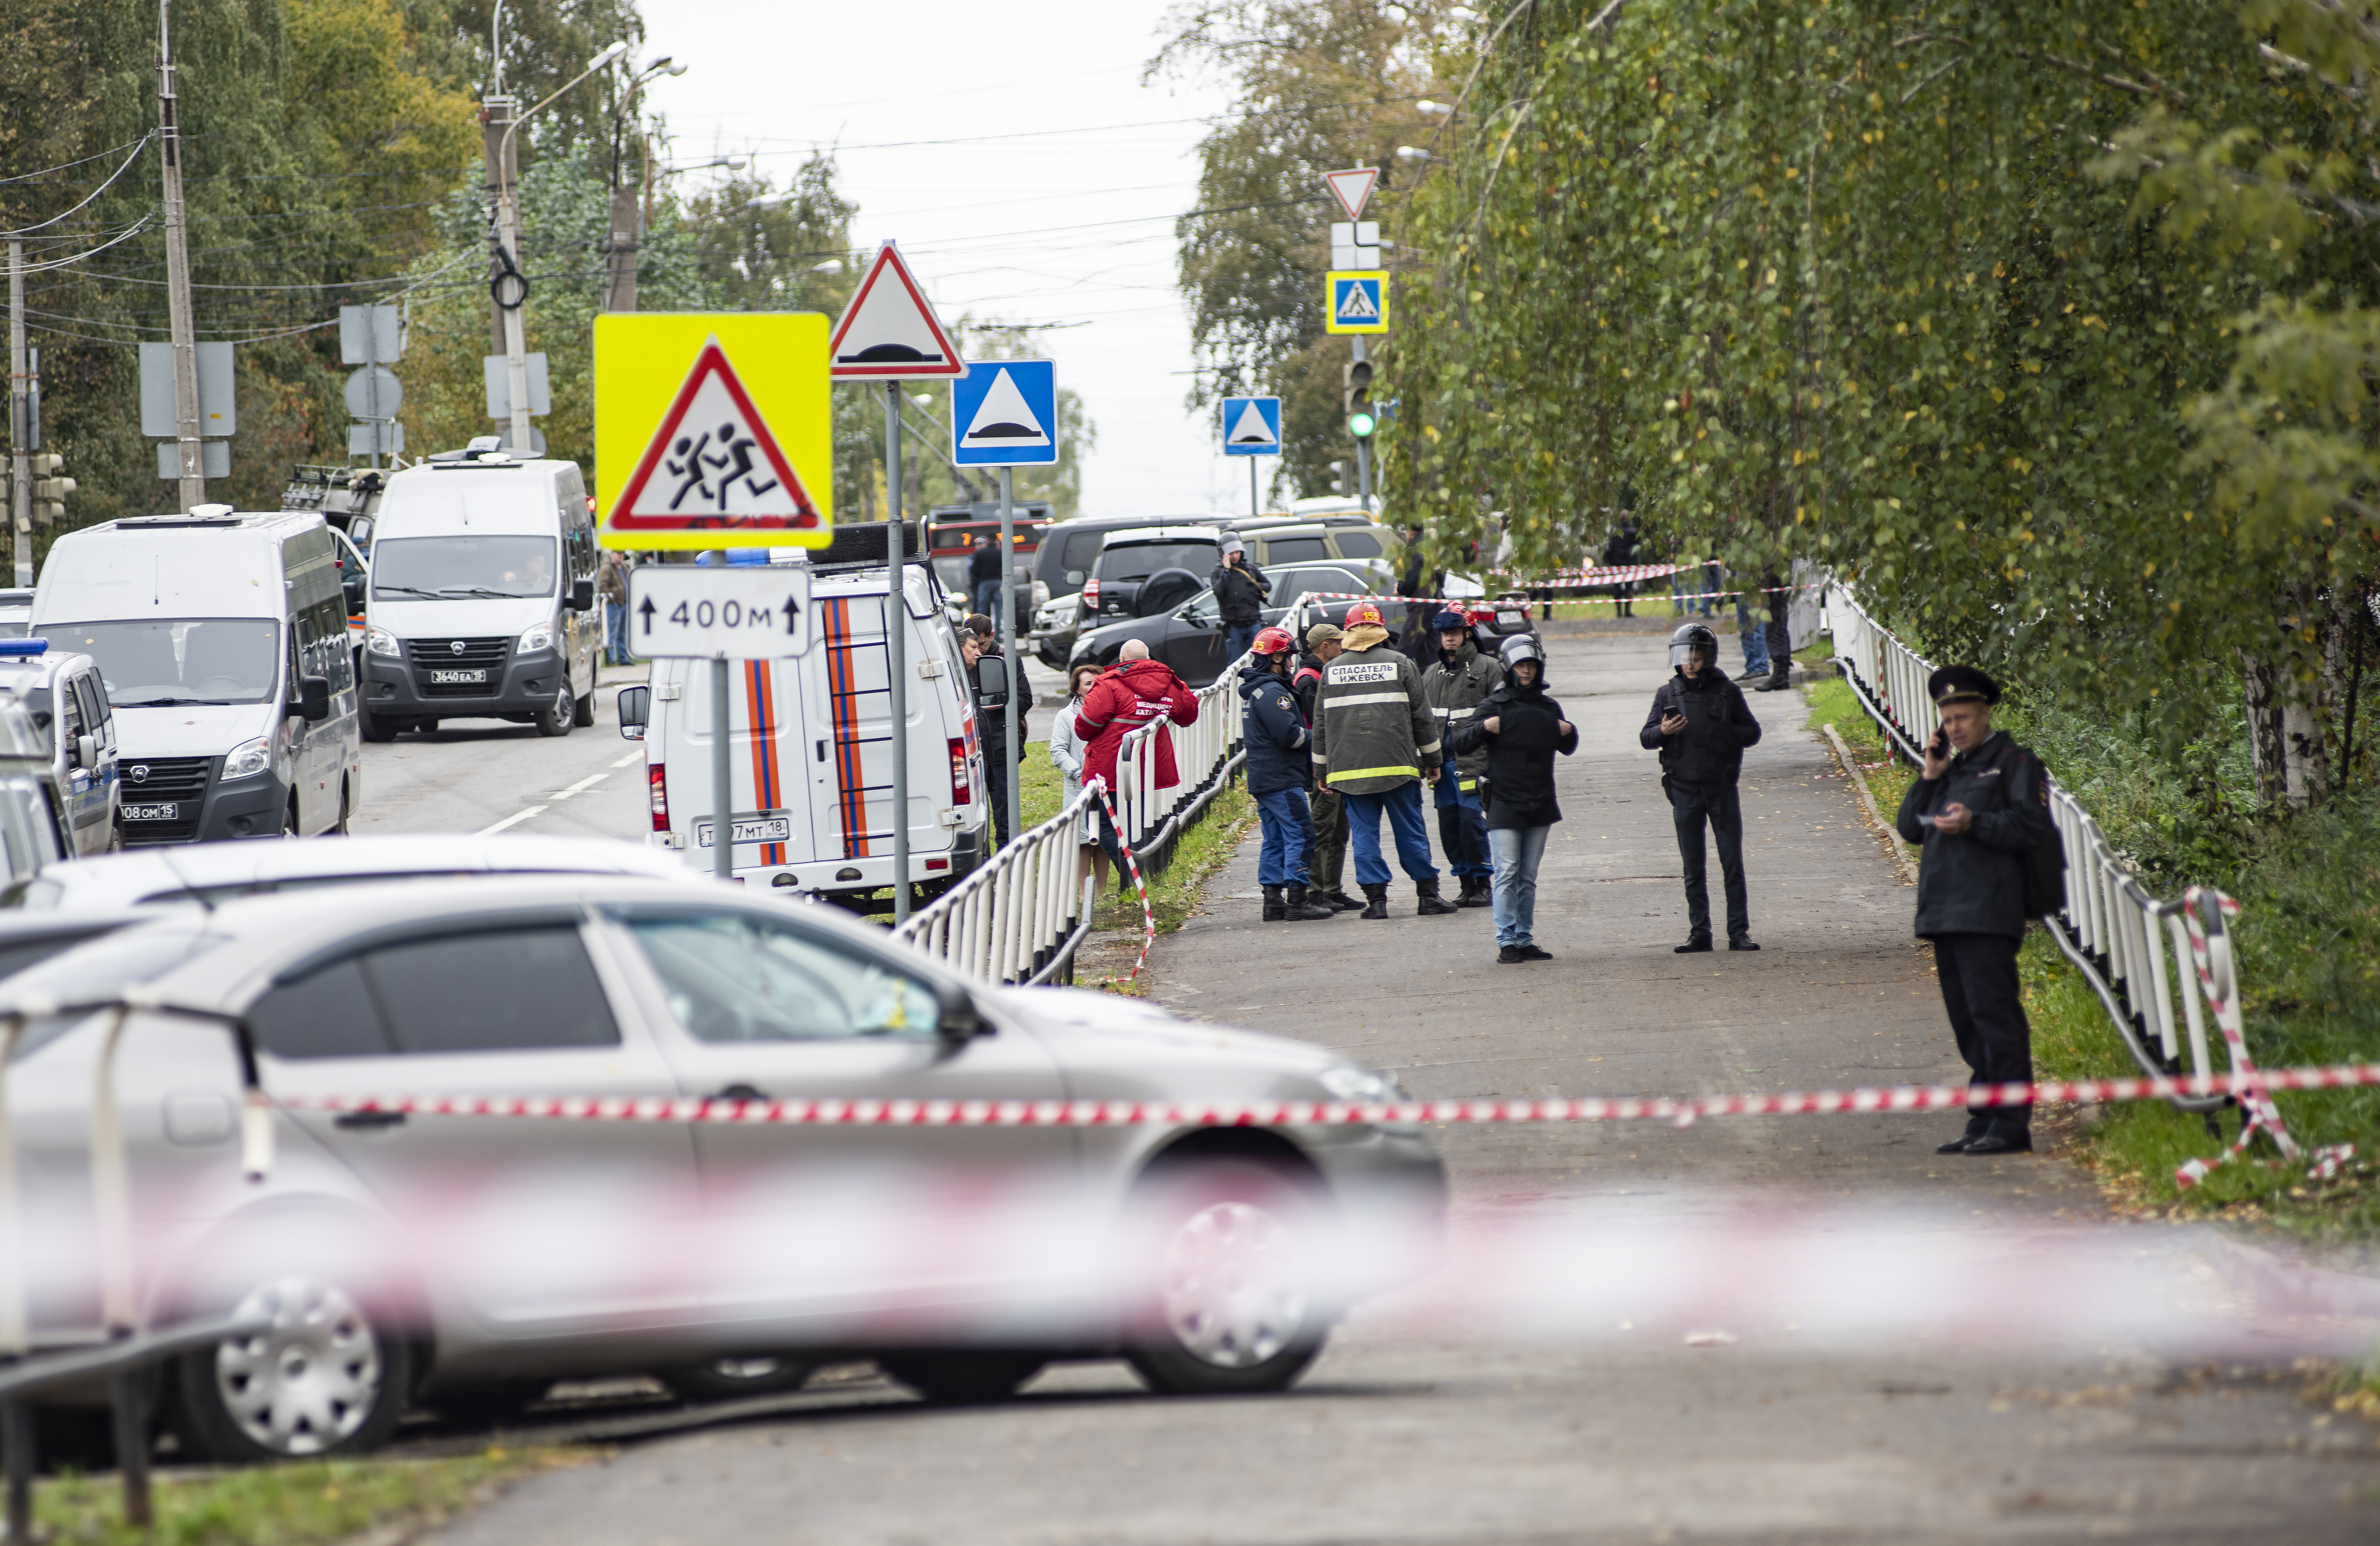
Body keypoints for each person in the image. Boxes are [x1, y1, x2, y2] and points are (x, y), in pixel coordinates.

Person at [1894, 666, 2057, 1157]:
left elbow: (2030, 827)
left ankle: (2010, 1124)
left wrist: (1975, 822)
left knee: (1995, 1018)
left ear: (1986, 714)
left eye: (1962, 716)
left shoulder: (2014, 763)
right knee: (1966, 1023)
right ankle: (1983, 1117)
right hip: (1945, 911)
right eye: (1946, 719)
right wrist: (1929, 775)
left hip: (1988, 908)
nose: (1954, 727)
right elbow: (1908, 827)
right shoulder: (1952, 767)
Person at [1312, 599, 1457, 919]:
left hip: (1349, 772)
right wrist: (1433, 760)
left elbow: (1321, 725)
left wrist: (1320, 771)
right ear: (1379, 630)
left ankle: (1376, 902)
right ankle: (1427, 896)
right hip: (1398, 767)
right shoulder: (1401, 663)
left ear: (1348, 632)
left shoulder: (1330, 671)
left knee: (1364, 835)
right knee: (1410, 830)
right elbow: (1423, 718)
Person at [1450, 636, 1577, 962]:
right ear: (1508, 666)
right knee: (1507, 872)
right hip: (1504, 800)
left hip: (1540, 800)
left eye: (1531, 665)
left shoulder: (1548, 707)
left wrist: (1569, 731)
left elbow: (1568, 747)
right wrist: (1483, 728)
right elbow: (1461, 743)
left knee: (1527, 877)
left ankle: (1524, 938)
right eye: (1521, 665)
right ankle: (1506, 940)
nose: (1526, 671)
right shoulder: (1495, 704)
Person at [1640, 622, 1763, 952]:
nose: (1690, 661)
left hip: (1721, 790)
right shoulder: (1667, 694)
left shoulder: (1728, 691)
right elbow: (1646, 738)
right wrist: (1663, 731)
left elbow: (1752, 732)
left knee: (1731, 862)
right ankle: (1700, 932)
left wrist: (1728, 732)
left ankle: (1738, 932)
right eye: (1684, 655)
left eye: (1696, 654)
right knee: (1692, 866)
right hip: (1683, 790)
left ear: (1708, 657)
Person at [1073, 639, 1198, 880]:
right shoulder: (1169, 682)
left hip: (1110, 771)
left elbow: (1085, 726)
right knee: (1137, 824)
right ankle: (1142, 876)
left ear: (1122, 661)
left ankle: (1134, 877)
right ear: (1149, 659)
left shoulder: (1109, 684)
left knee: (1103, 825)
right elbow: (1189, 714)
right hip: (1150, 768)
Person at [1239, 626, 1334, 921]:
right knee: (1302, 835)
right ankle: (1296, 899)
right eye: (1288, 658)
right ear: (1276, 658)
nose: (1292, 663)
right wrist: (1320, 738)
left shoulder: (1257, 689)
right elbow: (1289, 737)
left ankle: (1273, 901)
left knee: (1275, 839)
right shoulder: (1273, 693)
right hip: (1281, 779)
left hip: (1265, 778)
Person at [1420, 607, 1501, 908]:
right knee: (1450, 828)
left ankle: (1483, 882)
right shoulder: (1431, 675)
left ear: (1469, 633)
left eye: (1454, 633)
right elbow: (1422, 722)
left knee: (1471, 823)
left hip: (1476, 764)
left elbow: (1503, 716)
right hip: (1442, 767)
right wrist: (1425, 763)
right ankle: (1465, 882)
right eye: (1444, 634)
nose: (1449, 639)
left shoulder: (1489, 668)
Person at [1293, 622, 1358, 910]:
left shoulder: (1324, 674)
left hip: (1338, 763)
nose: (1343, 646)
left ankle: (1332, 889)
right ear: (1325, 647)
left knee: (1339, 829)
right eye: (1338, 642)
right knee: (1323, 828)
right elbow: (1322, 725)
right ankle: (1315, 891)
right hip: (1323, 766)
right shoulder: (1309, 680)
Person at [965, 614, 1033, 847]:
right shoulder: (961, 664)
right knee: (974, 814)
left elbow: (1025, 700)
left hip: (1001, 747)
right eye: (973, 646)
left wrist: (997, 701)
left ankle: (1008, 862)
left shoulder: (1006, 659)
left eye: (981, 645)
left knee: (1004, 813)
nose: (978, 652)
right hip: (974, 751)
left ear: (991, 637)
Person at [1048, 661, 1111, 894]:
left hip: (1107, 786)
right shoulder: (1065, 717)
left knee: (1104, 838)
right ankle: (1084, 895)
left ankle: (1102, 892)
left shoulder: (1111, 712)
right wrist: (1079, 773)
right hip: (1079, 788)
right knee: (1083, 841)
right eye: (1088, 683)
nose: (1093, 687)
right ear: (1077, 690)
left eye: (1097, 682)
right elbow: (1058, 751)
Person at [1210, 536, 1270, 659]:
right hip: (1233, 626)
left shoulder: (1250, 569)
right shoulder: (1217, 573)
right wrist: (1226, 570)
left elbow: (1268, 585)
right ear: (1224, 554)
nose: (1235, 556)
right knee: (1235, 662)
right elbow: (1218, 591)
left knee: (1260, 660)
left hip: (1253, 623)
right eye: (1231, 554)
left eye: (1237, 552)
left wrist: (1255, 587)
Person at [1733, 566, 1773, 683]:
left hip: (1755, 587)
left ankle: (1761, 666)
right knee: (1745, 631)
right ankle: (1752, 668)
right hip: (1740, 586)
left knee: (1758, 629)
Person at [1602, 518, 1641, 618]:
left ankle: (1619, 612)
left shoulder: (1613, 533)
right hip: (1630, 565)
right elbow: (1637, 548)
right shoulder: (1634, 533)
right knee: (1629, 587)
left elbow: (1609, 549)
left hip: (1616, 564)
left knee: (1617, 587)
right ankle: (1628, 611)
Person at [599, 550, 629, 666]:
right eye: (618, 554)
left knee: (622, 632)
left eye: (622, 554)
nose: (621, 556)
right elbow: (602, 585)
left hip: (624, 603)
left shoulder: (624, 567)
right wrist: (612, 598)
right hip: (614, 604)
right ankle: (610, 658)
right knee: (612, 632)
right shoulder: (607, 568)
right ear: (612, 554)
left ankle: (623, 657)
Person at [970, 533, 1004, 621]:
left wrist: (980, 577)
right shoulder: (1000, 553)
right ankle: (997, 632)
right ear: (996, 540)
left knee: (982, 610)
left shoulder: (980, 553)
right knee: (998, 609)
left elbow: (973, 569)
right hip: (998, 582)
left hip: (984, 582)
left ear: (988, 540)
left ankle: (983, 630)